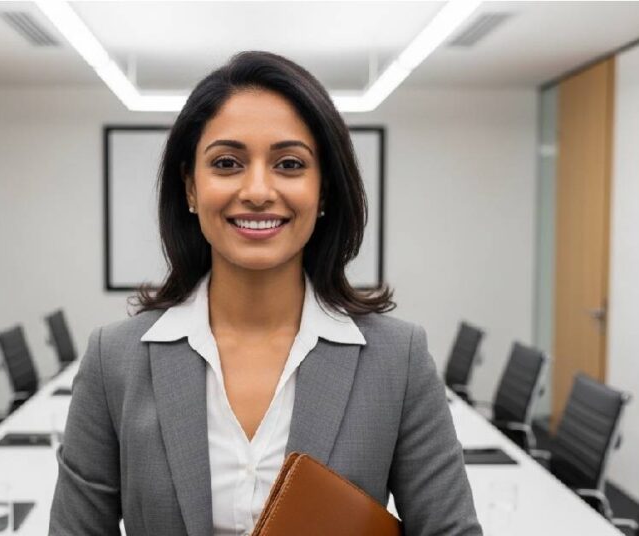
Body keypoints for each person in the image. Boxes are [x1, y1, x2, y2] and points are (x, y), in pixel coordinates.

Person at [50, 51, 480, 536]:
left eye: (290, 164)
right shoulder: (116, 360)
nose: (257, 190)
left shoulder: (396, 360)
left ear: (325, 192)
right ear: (191, 188)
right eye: (227, 163)